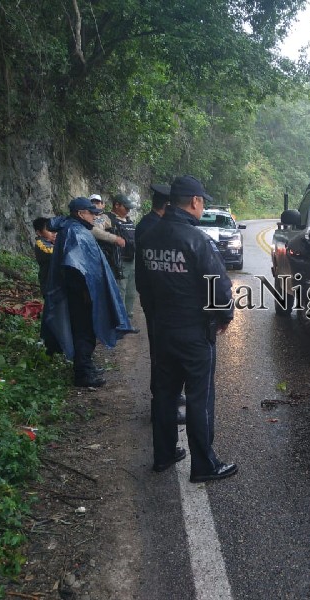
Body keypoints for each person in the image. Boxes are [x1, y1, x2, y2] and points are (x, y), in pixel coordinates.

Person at [136, 175, 237, 482]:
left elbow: (143, 285)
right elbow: (218, 289)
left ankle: (164, 454)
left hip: (163, 329)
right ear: (194, 202)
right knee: (199, 397)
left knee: (165, 394)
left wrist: (156, 319)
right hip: (194, 333)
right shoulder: (198, 240)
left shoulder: (150, 236)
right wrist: (224, 317)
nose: (202, 205)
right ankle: (205, 465)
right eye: (201, 200)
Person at [42, 197, 133, 387]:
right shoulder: (74, 232)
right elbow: (73, 267)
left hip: (82, 292)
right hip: (80, 294)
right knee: (83, 331)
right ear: (80, 213)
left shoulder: (75, 229)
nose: (94, 216)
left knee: (85, 331)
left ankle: (86, 365)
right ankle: (83, 373)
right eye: (91, 213)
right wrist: (85, 292)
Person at [136, 183, 187, 425]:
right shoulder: (153, 229)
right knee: (162, 357)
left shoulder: (148, 225)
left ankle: (171, 399)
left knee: (167, 356)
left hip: (157, 303)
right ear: (168, 206)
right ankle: (163, 407)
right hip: (159, 305)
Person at [107, 194, 139, 327]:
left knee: (131, 292)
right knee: (120, 291)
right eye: (126, 207)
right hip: (118, 261)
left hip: (132, 260)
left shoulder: (129, 221)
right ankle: (119, 321)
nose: (128, 210)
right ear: (116, 205)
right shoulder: (107, 219)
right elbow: (95, 232)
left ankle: (128, 318)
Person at [89, 194, 126, 282]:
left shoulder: (104, 217)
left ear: (103, 204)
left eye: (99, 202)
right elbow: (95, 229)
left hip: (110, 255)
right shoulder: (95, 217)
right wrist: (114, 238)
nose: (96, 205)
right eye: (93, 202)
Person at [32, 216, 56, 295]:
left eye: (54, 229)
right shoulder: (41, 244)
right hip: (50, 284)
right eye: (49, 230)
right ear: (39, 233)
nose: (54, 233)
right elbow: (56, 253)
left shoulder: (52, 243)